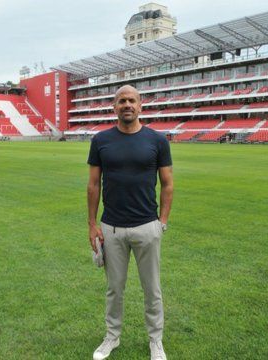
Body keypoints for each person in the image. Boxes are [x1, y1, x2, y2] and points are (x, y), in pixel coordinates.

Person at [87, 85, 174, 360]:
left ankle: (155, 342)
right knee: (115, 289)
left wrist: (162, 221)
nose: (127, 104)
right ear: (114, 106)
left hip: (147, 227)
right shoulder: (101, 140)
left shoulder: (157, 141)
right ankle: (112, 337)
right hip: (111, 228)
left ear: (140, 106)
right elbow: (92, 185)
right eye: (121, 100)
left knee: (152, 289)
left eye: (131, 100)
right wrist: (92, 224)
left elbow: (168, 184)